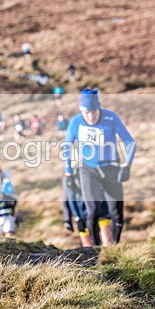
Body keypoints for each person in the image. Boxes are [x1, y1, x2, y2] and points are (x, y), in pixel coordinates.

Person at [62, 88, 137, 245]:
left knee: (116, 213)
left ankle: (114, 246)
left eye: (94, 112)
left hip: (111, 168)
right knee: (93, 211)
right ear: (81, 110)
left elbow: (130, 142)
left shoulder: (111, 117)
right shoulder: (75, 122)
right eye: (86, 112)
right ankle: (95, 250)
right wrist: (68, 173)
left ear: (99, 108)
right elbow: (67, 146)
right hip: (88, 170)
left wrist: (126, 166)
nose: (91, 117)